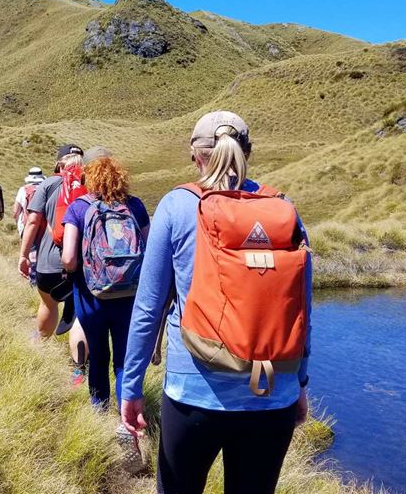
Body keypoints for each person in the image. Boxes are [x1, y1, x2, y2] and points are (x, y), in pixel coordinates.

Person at [120, 111, 312, 494]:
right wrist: (300, 383)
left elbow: (148, 307)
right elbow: (303, 308)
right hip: (273, 393)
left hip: (194, 394)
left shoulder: (176, 206)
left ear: (196, 156)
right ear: (248, 153)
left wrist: (131, 387)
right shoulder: (283, 210)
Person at [61, 147, 149, 409]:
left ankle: (99, 411)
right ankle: (126, 418)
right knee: (123, 358)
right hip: (129, 295)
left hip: (92, 295)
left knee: (98, 355)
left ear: (87, 173)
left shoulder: (79, 207)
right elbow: (150, 250)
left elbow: (68, 259)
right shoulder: (134, 205)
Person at [18, 144, 89, 384]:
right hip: (81, 262)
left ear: (59, 163)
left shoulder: (47, 185)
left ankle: (40, 345)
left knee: (48, 304)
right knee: (80, 315)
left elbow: (32, 221)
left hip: (49, 261)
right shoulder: (90, 183)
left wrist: (24, 254)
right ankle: (78, 370)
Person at [14, 167, 45, 238]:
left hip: (26, 224)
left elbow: (16, 211)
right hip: (42, 226)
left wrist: (18, 224)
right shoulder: (45, 189)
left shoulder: (23, 190)